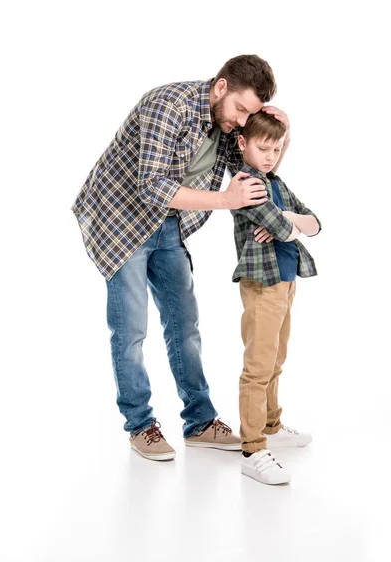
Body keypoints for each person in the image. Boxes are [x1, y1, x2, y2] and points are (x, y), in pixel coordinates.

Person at [72, 55, 290, 461]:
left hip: (168, 225)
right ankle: (141, 425)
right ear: (220, 87)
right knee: (131, 330)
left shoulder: (230, 124)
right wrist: (226, 200)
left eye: (251, 115)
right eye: (241, 109)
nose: (243, 121)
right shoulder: (167, 105)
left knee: (184, 324)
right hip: (121, 220)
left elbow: (256, 169)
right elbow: (153, 186)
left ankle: (200, 421)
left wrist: (280, 130)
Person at [231, 111, 321, 484]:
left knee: (276, 358)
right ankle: (253, 447)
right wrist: (289, 222)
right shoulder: (245, 184)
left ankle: (271, 424)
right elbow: (287, 228)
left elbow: (314, 222)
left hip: (286, 280)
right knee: (258, 365)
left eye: (276, 148)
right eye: (262, 147)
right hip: (262, 284)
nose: (269, 155)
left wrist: (289, 219)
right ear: (243, 144)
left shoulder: (276, 182)